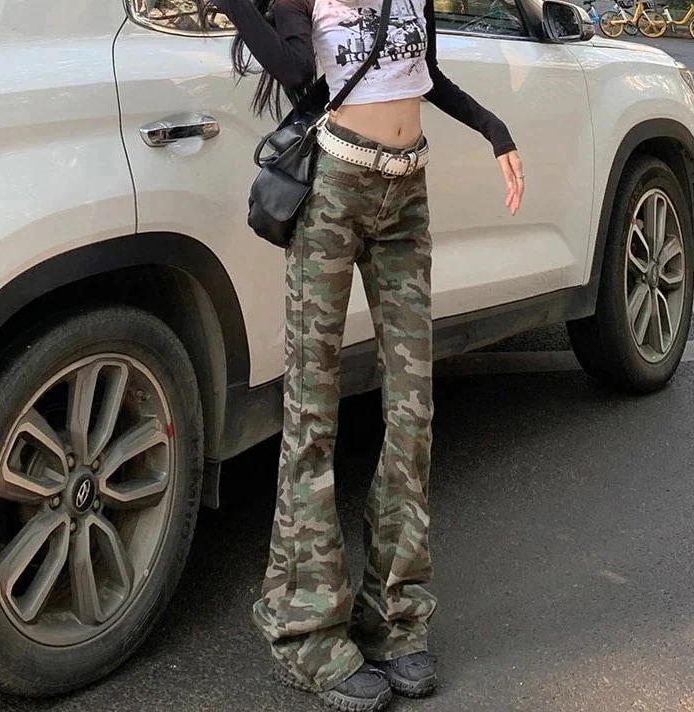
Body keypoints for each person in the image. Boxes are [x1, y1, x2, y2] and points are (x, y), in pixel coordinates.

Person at [204, 0, 524, 709]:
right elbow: (295, 71)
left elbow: (425, 71)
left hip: (407, 194)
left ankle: (395, 616)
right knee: (312, 414)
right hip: (333, 193)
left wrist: (493, 128)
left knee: (414, 413)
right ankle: (306, 628)